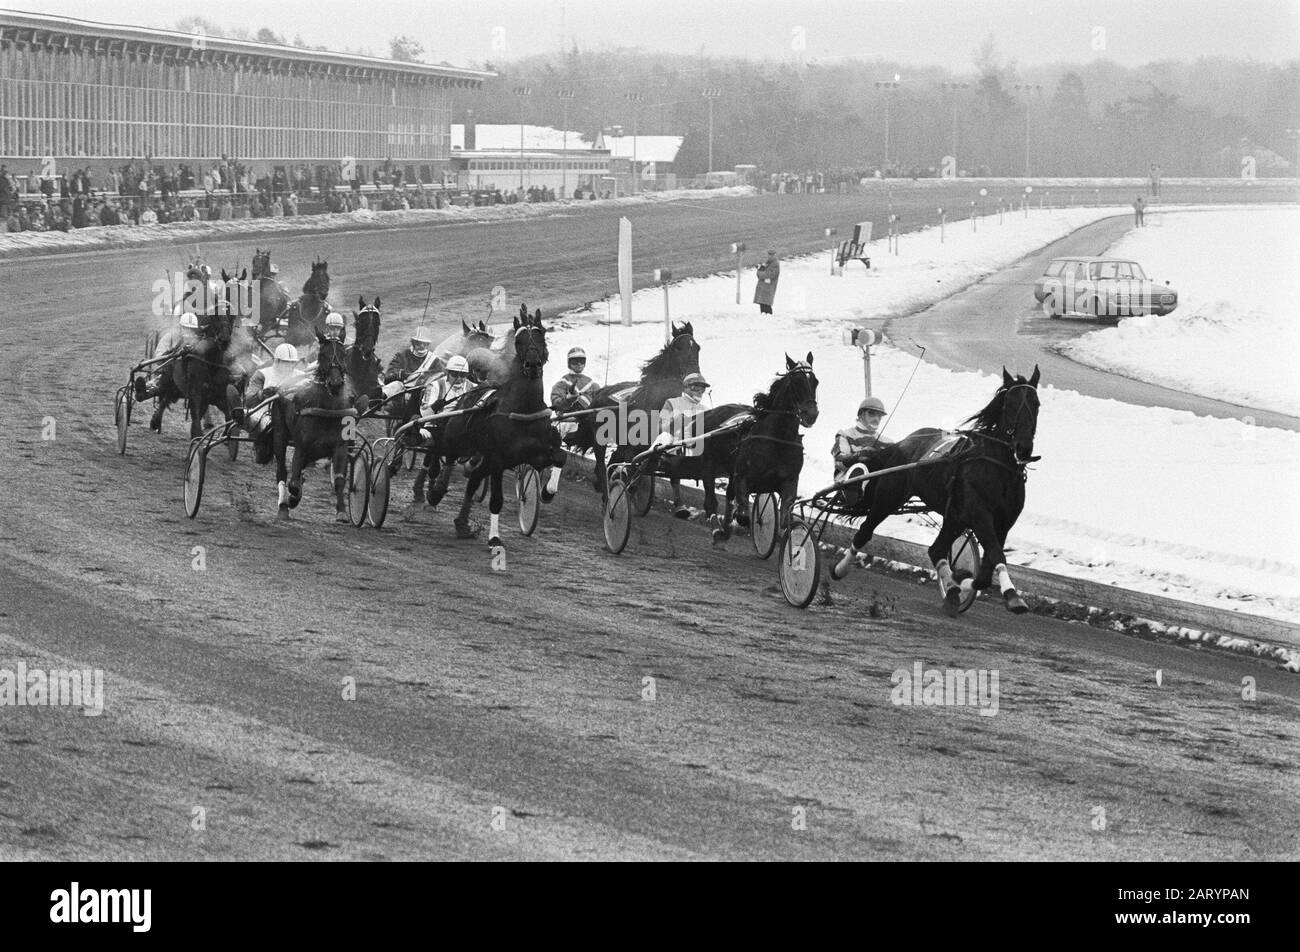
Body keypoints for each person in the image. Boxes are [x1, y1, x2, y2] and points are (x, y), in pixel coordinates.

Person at [832, 396, 890, 508]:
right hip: (846, 478)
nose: (876, 419)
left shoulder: (887, 441)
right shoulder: (845, 434)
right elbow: (839, 461)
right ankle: (851, 493)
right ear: (861, 415)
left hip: (876, 484)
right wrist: (860, 454)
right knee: (860, 466)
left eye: (879, 416)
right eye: (872, 414)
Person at [239, 344, 307, 435]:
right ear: (277, 361)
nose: (290, 366)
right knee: (269, 428)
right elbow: (248, 401)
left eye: (293, 363)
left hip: (293, 417)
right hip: (264, 414)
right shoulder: (262, 374)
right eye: (286, 362)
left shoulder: (301, 376)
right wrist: (263, 394)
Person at [134, 312, 202, 402]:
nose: (189, 331)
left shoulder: (199, 340)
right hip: (169, 374)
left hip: (194, 376)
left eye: (192, 329)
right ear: (180, 327)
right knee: (163, 379)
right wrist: (172, 353)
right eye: (186, 328)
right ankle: (146, 390)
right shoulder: (170, 337)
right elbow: (158, 359)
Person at [419, 354, 474, 421]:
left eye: (463, 375)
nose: (459, 378)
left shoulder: (473, 387)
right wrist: (434, 407)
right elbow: (424, 414)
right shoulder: (435, 386)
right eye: (455, 374)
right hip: (437, 425)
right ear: (447, 372)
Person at [754, 249, 780, 315]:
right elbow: (762, 272)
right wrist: (760, 269)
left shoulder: (775, 264)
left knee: (767, 305)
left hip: (768, 287)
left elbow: (770, 275)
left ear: (775, 255)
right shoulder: (767, 263)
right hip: (764, 287)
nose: (770, 256)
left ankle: (768, 319)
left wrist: (760, 273)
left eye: (772, 255)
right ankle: (764, 317)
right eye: (769, 255)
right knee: (762, 304)